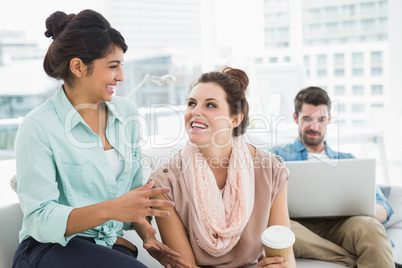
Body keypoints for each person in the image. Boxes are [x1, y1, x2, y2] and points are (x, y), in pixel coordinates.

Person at [12, 10, 184, 268]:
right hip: (47, 249)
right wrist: (112, 209)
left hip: (106, 245)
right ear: (78, 67)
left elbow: (133, 195)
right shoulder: (38, 127)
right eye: (113, 66)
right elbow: (40, 219)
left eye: (121, 65)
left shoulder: (126, 113)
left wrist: (148, 237)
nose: (121, 76)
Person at [147, 67, 296, 268]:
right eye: (192, 103)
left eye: (210, 105)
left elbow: (284, 257)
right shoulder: (165, 185)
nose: (195, 111)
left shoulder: (271, 171)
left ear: (235, 119)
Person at [268, 86, 395, 268]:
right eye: (307, 119)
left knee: (371, 227)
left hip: (341, 226)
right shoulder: (275, 156)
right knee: (277, 229)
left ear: (329, 119)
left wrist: (360, 206)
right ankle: (349, 259)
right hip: (296, 225)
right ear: (295, 118)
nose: (314, 126)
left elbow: (385, 210)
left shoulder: (348, 161)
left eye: (321, 119)